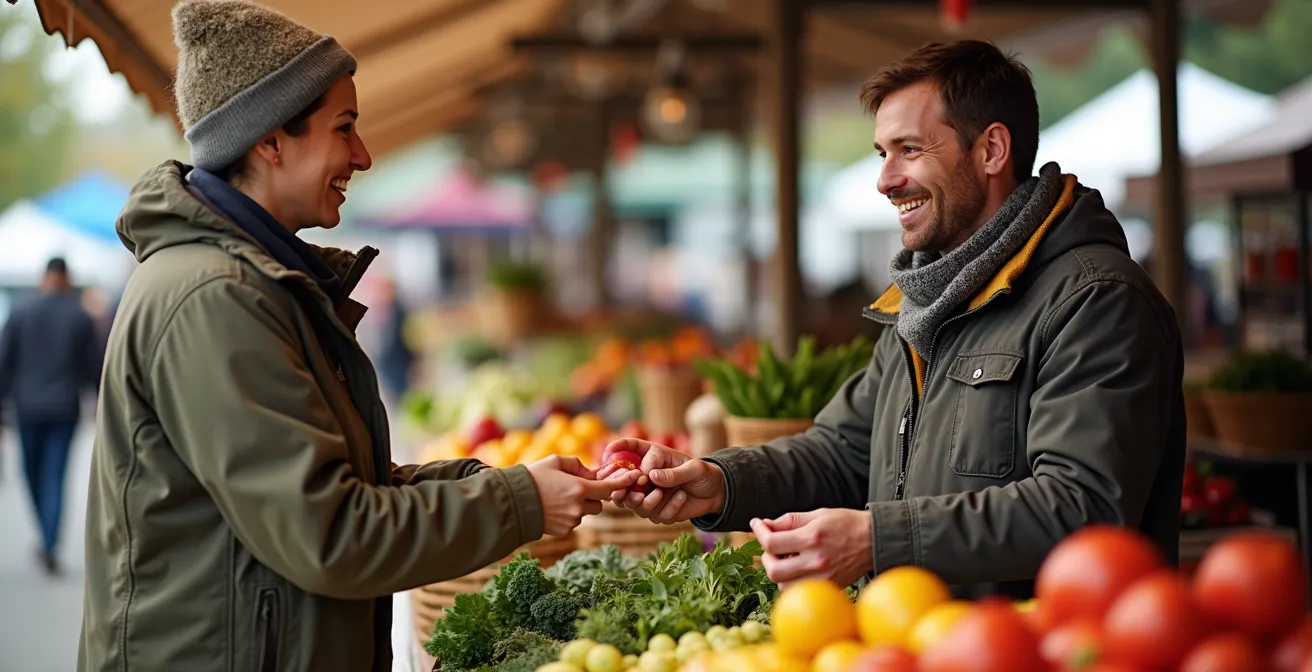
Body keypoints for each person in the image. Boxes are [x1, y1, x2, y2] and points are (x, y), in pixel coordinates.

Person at [78, 2, 635, 671]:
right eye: (346, 129)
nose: (363, 156)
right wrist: (519, 502)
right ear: (270, 139)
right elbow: (331, 534)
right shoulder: (215, 299)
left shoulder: (251, 283)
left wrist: (512, 482)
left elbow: (344, 487)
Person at [605, 40, 1185, 599]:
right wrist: (718, 481)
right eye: (883, 153)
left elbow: (1083, 506)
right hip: (913, 638)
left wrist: (877, 539)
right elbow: (842, 453)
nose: (884, 179)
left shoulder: (1096, 300)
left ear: (991, 151)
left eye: (909, 149)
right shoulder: (927, 300)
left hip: (1040, 648)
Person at [0, 257, 103, 575]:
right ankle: (49, 542)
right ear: (67, 279)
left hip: (27, 407)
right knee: (54, 476)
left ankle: (45, 538)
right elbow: (94, 367)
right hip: (63, 407)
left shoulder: (20, 311)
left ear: (44, 277)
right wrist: (100, 403)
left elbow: (5, 361)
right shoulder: (78, 316)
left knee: (31, 473)